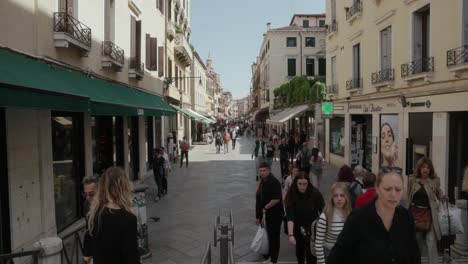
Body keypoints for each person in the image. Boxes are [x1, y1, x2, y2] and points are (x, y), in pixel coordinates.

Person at [327, 167, 421, 264]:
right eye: (387, 189)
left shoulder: (406, 217)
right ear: (377, 188)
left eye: (398, 190)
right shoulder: (358, 218)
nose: (393, 194)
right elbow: (336, 257)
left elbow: (414, 255)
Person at [83, 167, 138, 264]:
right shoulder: (129, 219)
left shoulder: (93, 214)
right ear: (124, 187)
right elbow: (131, 259)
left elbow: (86, 256)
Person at [408, 157, 447, 264]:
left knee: (431, 243)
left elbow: (439, 194)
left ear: (430, 169)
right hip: (415, 215)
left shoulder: (434, 181)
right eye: (423, 167)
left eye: (428, 167)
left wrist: (442, 197)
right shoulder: (412, 180)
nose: (425, 170)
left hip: (429, 216)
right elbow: (408, 197)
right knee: (417, 243)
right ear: (419, 169)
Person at [285, 173, 325, 264]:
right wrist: (290, 235)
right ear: (296, 183)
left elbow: (323, 211)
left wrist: (324, 228)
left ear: (308, 183)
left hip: (312, 228)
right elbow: (290, 217)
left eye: (304, 184)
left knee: (312, 255)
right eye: (300, 184)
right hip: (297, 228)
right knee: (300, 253)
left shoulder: (315, 193)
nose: (302, 187)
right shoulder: (291, 195)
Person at [315, 182, 351, 264]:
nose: (339, 199)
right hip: (329, 255)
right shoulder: (325, 217)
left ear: (346, 197)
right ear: (332, 198)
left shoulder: (349, 215)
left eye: (342, 195)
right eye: (336, 196)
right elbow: (318, 244)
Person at [256, 162, 283, 264]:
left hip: (275, 214)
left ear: (269, 170)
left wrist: (265, 207)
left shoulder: (274, 182)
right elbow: (259, 198)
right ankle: (271, 257)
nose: (262, 173)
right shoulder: (263, 181)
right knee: (270, 237)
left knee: (274, 238)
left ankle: (274, 260)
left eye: (264, 170)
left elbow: (276, 199)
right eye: (261, 171)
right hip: (268, 214)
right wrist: (258, 216)